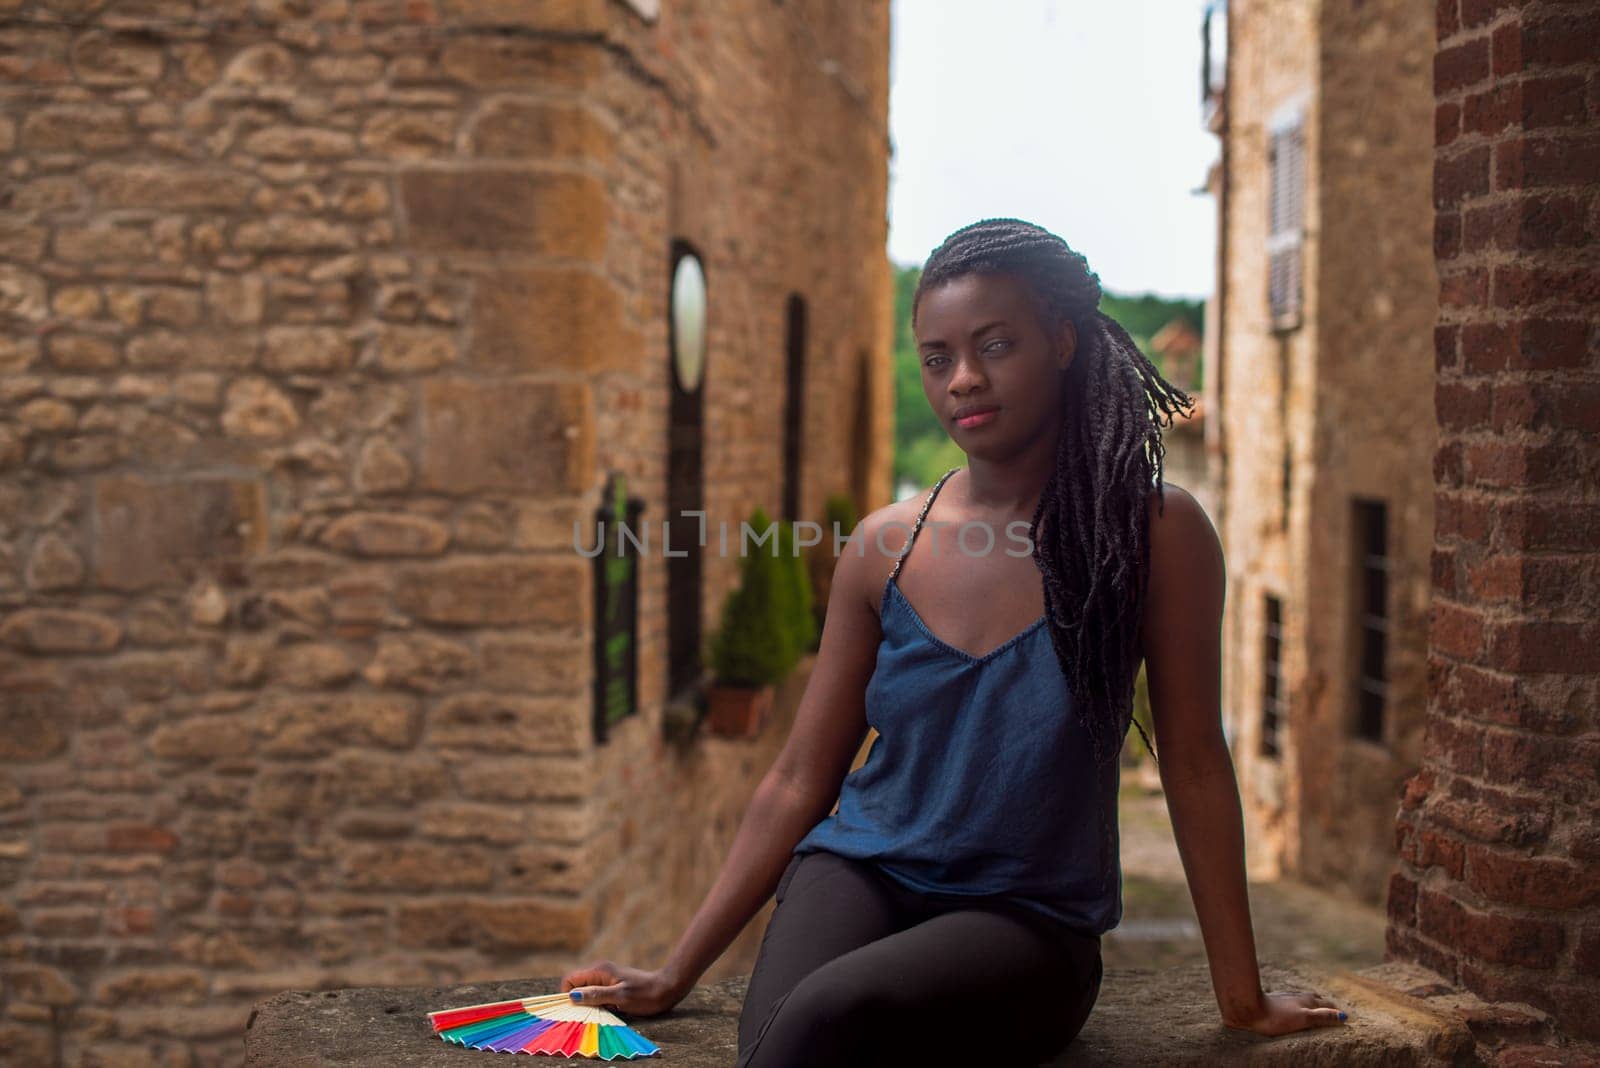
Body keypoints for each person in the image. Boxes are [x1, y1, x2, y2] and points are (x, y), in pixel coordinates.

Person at [560, 218, 1347, 1065]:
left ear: (1063, 341)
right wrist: (675, 975)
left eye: (995, 345)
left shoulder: (1155, 532)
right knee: (780, 1032)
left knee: (823, 1014)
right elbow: (797, 777)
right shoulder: (883, 546)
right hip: (862, 869)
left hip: (1026, 922)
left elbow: (1193, 760)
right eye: (937, 358)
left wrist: (1241, 996)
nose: (963, 379)